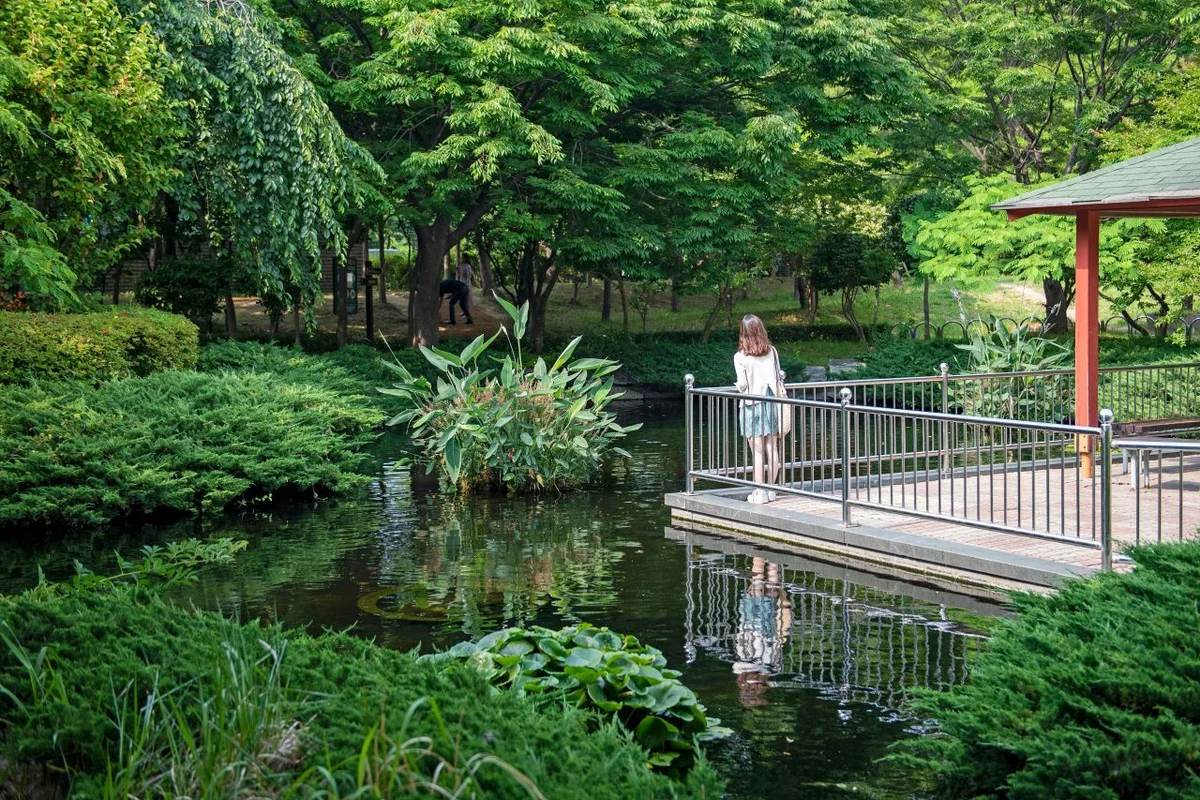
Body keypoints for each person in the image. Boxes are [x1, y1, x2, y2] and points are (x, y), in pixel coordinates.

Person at [734, 314, 783, 504]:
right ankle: (771, 489)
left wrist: (737, 386)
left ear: (743, 333)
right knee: (772, 447)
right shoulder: (772, 351)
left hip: (752, 404)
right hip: (771, 401)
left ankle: (759, 493)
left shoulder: (740, 357)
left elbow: (743, 385)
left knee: (757, 452)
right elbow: (778, 376)